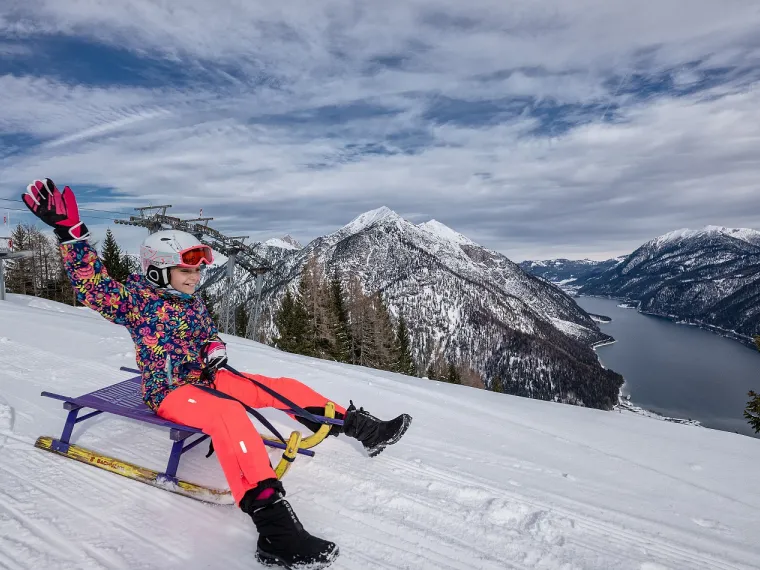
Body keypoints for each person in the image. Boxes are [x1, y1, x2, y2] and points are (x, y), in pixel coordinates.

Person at [23, 178, 412, 570]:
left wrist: (213, 348)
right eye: (186, 270)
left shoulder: (191, 302)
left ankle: (363, 429)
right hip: (168, 390)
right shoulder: (136, 301)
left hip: (207, 376)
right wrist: (71, 235)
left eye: (198, 270)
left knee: (275, 388)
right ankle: (275, 530)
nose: (195, 277)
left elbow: (207, 334)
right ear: (158, 270)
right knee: (229, 415)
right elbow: (93, 287)